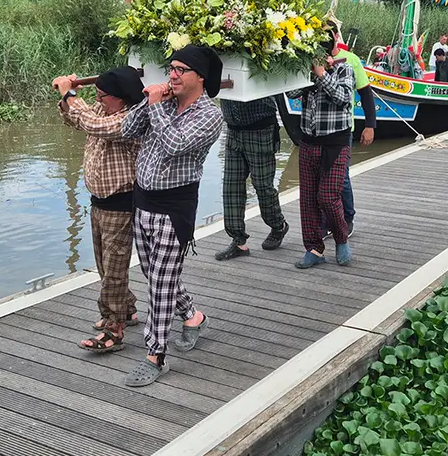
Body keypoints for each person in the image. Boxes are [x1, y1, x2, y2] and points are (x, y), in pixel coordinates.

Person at [120, 44, 224, 388]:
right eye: (171, 69)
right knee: (156, 278)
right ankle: (193, 317)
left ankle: (155, 355)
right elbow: (127, 130)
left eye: (181, 70)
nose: (173, 75)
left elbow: (174, 144)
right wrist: (148, 100)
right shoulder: (162, 103)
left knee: (161, 284)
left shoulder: (210, 115)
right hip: (142, 202)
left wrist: (157, 108)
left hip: (174, 209)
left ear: (200, 77)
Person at [55, 67, 145, 354]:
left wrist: (70, 93)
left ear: (121, 97)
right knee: (106, 267)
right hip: (99, 203)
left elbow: (91, 123)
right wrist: (67, 98)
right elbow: (75, 119)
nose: (98, 99)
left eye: (103, 95)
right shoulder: (103, 111)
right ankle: (126, 310)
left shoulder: (130, 119)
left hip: (121, 206)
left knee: (114, 273)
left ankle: (113, 329)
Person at [287, 33, 356, 270]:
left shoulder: (344, 69)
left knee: (327, 196)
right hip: (309, 140)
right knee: (307, 199)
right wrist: (306, 72)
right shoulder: (307, 70)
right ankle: (314, 248)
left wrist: (322, 74)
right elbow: (291, 93)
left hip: (336, 142)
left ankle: (341, 238)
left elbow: (343, 97)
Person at [215, 95, 290, 261]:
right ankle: (238, 240)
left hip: (261, 129)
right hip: (233, 129)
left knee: (263, 186)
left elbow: (288, 88)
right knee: (231, 187)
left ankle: (278, 225)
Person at [329, 22, 376, 240]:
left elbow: (365, 93)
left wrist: (370, 125)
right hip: (318, 129)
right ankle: (326, 221)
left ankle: (348, 218)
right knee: (321, 178)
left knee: (342, 177)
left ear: (336, 36)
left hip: (343, 127)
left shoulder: (351, 60)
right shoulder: (310, 58)